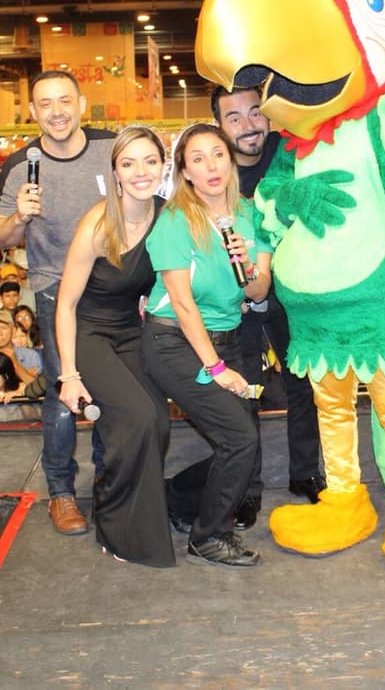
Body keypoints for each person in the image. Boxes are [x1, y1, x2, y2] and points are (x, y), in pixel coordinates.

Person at [0, 69, 115, 537]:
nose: (57, 111)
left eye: (65, 101)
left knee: (113, 391)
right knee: (64, 394)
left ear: (82, 104)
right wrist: (18, 216)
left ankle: (109, 483)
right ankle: (61, 494)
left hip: (112, 287)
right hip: (53, 286)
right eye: (46, 103)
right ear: (33, 112)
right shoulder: (22, 164)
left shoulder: (110, 149)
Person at [142, 123, 272, 568]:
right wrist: (216, 368)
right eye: (197, 158)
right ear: (185, 171)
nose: (210, 166)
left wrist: (247, 264)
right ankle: (208, 535)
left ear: (230, 160)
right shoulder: (176, 220)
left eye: (217, 154)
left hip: (232, 336)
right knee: (239, 438)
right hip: (174, 341)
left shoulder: (251, 215)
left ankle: (174, 499)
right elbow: (181, 303)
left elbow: (257, 293)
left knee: (242, 439)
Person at [54, 125, 175, 567]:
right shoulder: (97, 223)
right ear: (116, 172)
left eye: (149, 161)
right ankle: (113, 521)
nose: (140, 172)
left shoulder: (169, 215)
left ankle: (129, 512)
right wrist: (68, 373)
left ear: (163, 167)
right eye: (129, 163)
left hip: (132, 331)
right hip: (90, 334)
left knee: (158, 423)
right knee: (138, 417)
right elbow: (65, 305)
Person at [213, 86, 326, 523]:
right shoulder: (214, 170)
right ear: (220, 126)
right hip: (236, 301)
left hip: (291, 290)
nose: (248, 125)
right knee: (244, 391)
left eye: (255, 112)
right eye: (234, 117)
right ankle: (247, 487)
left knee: (303, 384)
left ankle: (305, 473)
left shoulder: (290, 153)